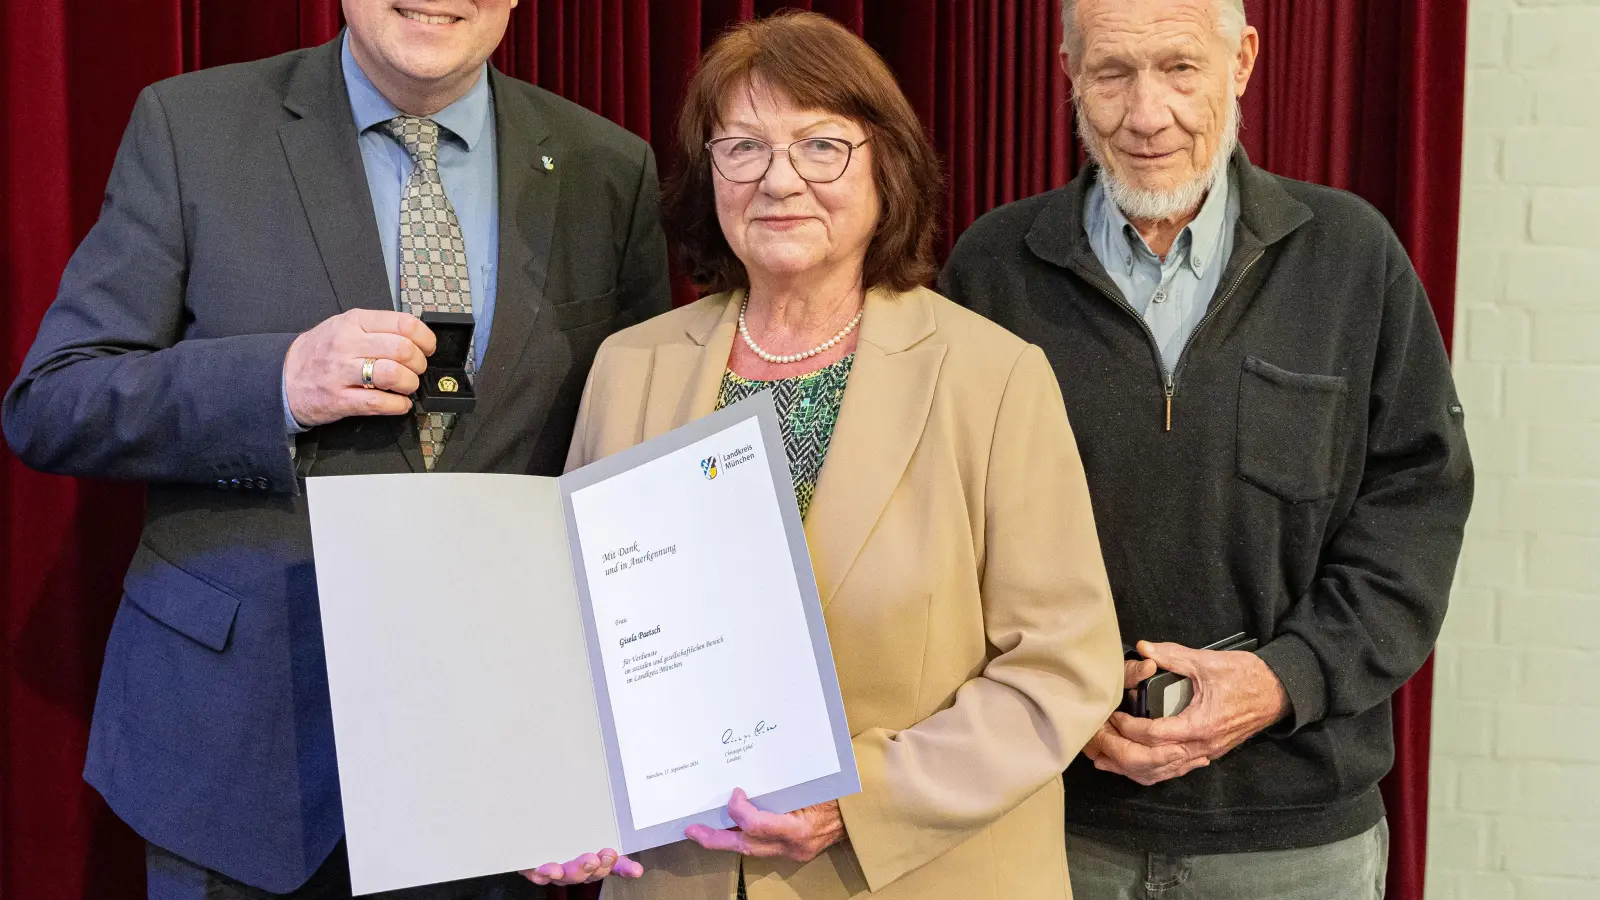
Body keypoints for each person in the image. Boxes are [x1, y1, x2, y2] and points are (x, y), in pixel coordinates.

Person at [2, 1, 670, 897]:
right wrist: (277, 383)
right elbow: (55, 400)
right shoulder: (191, 127)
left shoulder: (607, 167)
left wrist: (609, 753)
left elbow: (631, 466)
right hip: (244, 758)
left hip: (492, 772)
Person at [562, 12, 1124, 900]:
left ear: (884, 167)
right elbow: (579, 643)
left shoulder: (993, 378)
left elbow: (1064, 668)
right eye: (741, 147)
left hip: (913, 877)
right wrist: (559, 799)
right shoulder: (629, 368)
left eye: (821, 146)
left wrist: (858, 799)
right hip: (679, 880)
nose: (778, 179)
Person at [937, 0, 1474, 897]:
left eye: (1179, 68)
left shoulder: (1353, 259)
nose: (1147, 115)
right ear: (1068, 72)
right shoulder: (993, 271)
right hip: (1046, 829)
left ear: (1243, 62)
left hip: (1296, 844)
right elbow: (945, 538)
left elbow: (1415, 514)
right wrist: (1062, 699)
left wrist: (1280, 679)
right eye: (1111, 72)